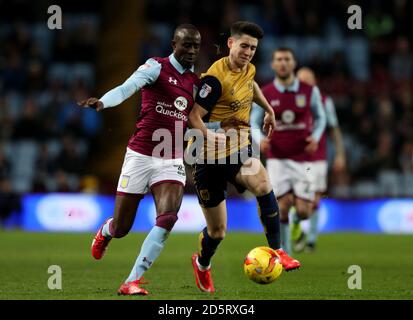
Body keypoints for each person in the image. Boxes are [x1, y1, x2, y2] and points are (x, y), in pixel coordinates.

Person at [77, 24, 205, 296]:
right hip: (139, 155)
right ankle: (107, 231)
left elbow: (198, 118)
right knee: (123, 227)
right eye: (187, 45)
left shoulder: (196, 84)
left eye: (196, 46)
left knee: (168, 217)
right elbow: (127, 88)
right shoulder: (156, 67)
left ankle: (132, 280)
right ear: (174, 44)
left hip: (171, 158)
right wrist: (102, 102)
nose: (192, 51)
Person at [188, 21, 301, 294]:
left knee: (262, 182)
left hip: (238, 147)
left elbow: (250, 84)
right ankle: (202, 263)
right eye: (244, 46)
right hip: (207, 157)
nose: (248, 52)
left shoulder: (247, 67)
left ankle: (278, 250)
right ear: (230, 44)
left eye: (252, 48)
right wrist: (208, 134)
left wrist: (269, 109)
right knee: (217, 232)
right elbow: (193, 116)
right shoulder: (215, 80)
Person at [250, 48, 326, 254]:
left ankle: (297, 226)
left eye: (287, 59)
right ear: (273, 65)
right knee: (282, 207)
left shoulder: (309, 91)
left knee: (303, 211)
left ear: (293, 63)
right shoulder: (265, 92)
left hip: (304, 159)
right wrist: (260, 140)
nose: (283, 63)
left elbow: (321, 118)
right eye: (278, 60)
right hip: (277, 159)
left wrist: (315, 137)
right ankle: (285, 253)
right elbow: (252, 123)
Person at [291, 67, 346, 253]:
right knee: (297, 199)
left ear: (314, 82)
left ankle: (311, 239)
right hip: (295, 158)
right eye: (301, 80)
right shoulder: (289, 101)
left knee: (315, 201)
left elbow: (334, 129)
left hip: (318, 158)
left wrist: (340, 154)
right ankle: (296, 226)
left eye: (308, 80)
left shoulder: (324, 101)